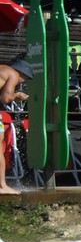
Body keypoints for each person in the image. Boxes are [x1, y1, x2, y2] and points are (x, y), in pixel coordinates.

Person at [0, 60, 31, 195]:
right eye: (24, 80)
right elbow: (6, 98)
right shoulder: (13, 74)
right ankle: (2, 186)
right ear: (22, 74)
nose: (22, 83)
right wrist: (16, 95)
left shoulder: (3, 69)